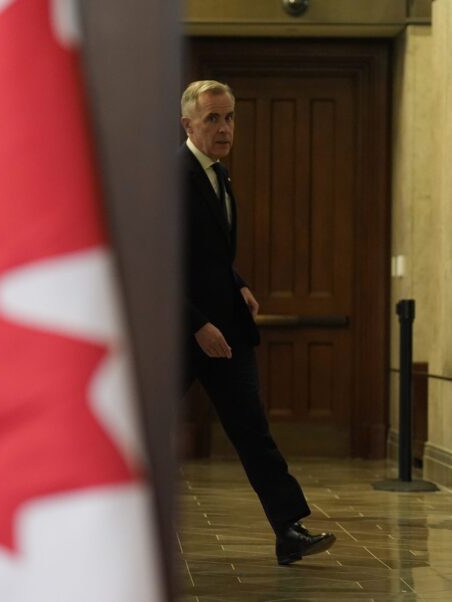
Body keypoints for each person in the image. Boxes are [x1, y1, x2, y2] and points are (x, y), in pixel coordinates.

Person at [179, 79, 336, 565]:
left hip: (226, 333)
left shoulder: (219, 175)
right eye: (212, 119)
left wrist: (239, 283)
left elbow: (209, 254)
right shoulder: (170, 176)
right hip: (180, 335)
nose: (224, 128)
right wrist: (197, 324)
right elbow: (155, 261)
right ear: (188, 125)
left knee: (253, 431)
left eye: (229, 118)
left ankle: (288, 529)